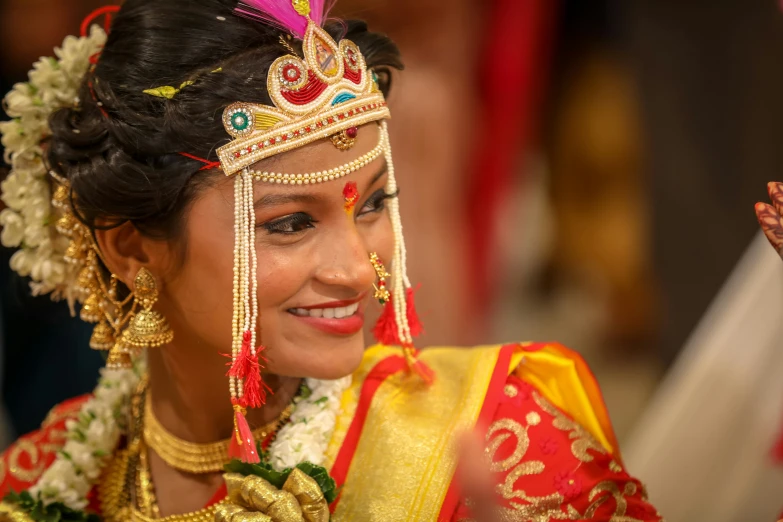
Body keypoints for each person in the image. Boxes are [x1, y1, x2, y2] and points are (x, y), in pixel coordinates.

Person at [0, 1, 661, 520]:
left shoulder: (499, 442)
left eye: (373, 204)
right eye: (289, 224)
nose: (354, 268)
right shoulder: (41, 485)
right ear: (132, 247)